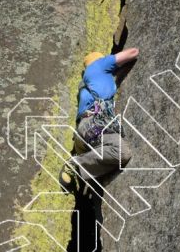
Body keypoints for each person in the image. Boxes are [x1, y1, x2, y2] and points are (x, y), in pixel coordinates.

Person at [58, 48, 139, 193]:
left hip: (85, 132)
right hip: (96, 123)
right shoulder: (99, 65)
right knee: (121, 152)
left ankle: (83, 168)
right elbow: (133, 52)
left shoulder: (86, 85)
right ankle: (76, 165)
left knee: (110, 158)